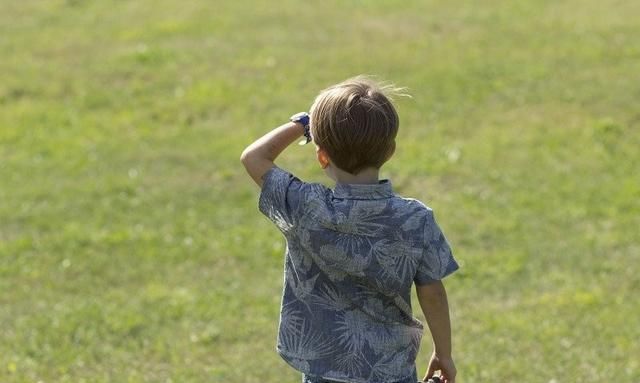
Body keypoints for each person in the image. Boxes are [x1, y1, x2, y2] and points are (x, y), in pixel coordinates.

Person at [240, 76, 459, 383]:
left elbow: (253, 158)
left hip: (323, 371)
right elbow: (432, 292)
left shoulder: (306, 208)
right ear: (390, 150)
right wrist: (443, 354)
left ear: (322, 156)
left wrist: (302, 125)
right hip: (391, 370)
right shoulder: (415, 219)